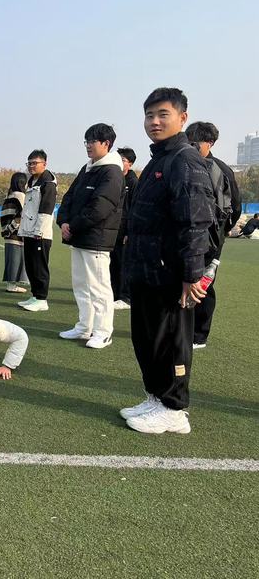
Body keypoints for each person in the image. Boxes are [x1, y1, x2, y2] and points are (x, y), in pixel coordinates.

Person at [120, 87, 214, 434]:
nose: (154, 122)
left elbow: (195, 222)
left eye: (163, 114)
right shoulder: (159, 159)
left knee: (170, 340)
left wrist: (191, 275)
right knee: (147, 340)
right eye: (149, 115)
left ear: (182, 118)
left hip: (170, 274)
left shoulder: (185, 160)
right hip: (146, 270)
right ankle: (156, 397)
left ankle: (174, 409)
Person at [56, 123, 124, 349]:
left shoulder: (112, 172)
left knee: (99, 287)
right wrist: (63, 221)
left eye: (92, 141)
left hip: (97, 240)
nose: (88, 145)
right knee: (81, 284)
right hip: (79, 237)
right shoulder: (87, 168)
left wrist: (73, 226)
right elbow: (69, 197)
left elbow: (100, 207)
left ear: (106, 143)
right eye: (86, 141)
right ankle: (84, 326)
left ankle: (103, 332)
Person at [185, 121, 242, 349]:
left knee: (204, 286)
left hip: (211, 239)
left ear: (210, 143)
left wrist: (224, 230)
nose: (190, 147)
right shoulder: (182, 163)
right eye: (187, 142)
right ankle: (181, 329)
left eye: (195, 143)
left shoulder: (221, 170)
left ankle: (199, 335)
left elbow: (235, 206)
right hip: (185, 236)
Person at [17, 150, 57, 311]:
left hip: (40, 233)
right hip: (28, 231)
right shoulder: (32, 181)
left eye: (35, 163)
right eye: (29, 163)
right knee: (31, 265)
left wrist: (39, 231)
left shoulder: (48, 183)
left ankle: (41, 299)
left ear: (44, 164)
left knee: (39, 266)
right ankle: (35, 295)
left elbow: (46, 209)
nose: (31, 166)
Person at [111, 147, 138, 310]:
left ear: (130, 164)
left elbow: (135, 208)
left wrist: (129, 231)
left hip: (125, 231)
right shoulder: (114, 178)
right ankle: (114, 295)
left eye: (123, 160)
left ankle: (125, 297)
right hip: (112, 229)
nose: (119, 163)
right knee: (113, 264)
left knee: (124, 264)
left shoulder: (133, 182)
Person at [0, 172, 29, 293]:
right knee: (16, 259)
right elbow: (23, 214)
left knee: (11, 259)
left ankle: (12, 284)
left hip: (8, 233)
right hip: (16, 233)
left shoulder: (9, 196)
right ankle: (12, 285)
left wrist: (6, 230)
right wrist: (12, 228)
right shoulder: (20, 196)